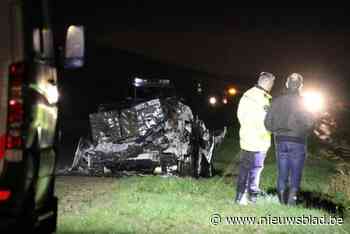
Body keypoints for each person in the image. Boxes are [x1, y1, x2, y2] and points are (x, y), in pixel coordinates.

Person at [264, 73, 315, 205]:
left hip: (281, 141)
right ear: (301, 86)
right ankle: (291, 203)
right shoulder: (304, 102)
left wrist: (278, 129)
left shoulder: (277, 100)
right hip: (298, 142)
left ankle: (282, 202)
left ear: (287, 84)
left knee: (282, 173)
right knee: (295, 174)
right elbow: (310, 124)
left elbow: (268, 124)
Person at [235, 72, 275, 205]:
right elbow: (266, 121)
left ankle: (239, 197)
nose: (272, 86)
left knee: (244, 169)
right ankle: (252, 197)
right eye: (272, 84)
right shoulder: (263, 99)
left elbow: (240, 115)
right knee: (255, 169)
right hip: (259, 141)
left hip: (246, 138)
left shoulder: (246, 94)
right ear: (268, 83)